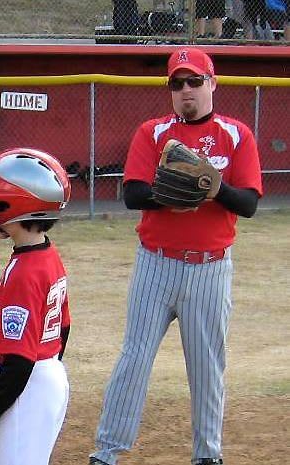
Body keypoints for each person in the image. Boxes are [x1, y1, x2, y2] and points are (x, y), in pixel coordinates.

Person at [88, 48, 262, 465]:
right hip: (156, 263)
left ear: (212, 83)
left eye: (194, 81)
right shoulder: (153, 132)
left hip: (210, 267)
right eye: (177, 83)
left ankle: (207, 455)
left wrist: (212, 186)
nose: (186, 90)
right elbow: (133, 194)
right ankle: (107, 452)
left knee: (206, 366)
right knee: (135, 357)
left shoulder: (236, 135)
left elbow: (249, 203)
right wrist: (176, 195)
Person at [0, 148, 73, 465]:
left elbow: (19, 362)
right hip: (47, 376)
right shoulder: (46, 254)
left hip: (30, 384)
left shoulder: (25, 273)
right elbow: (64, 327)